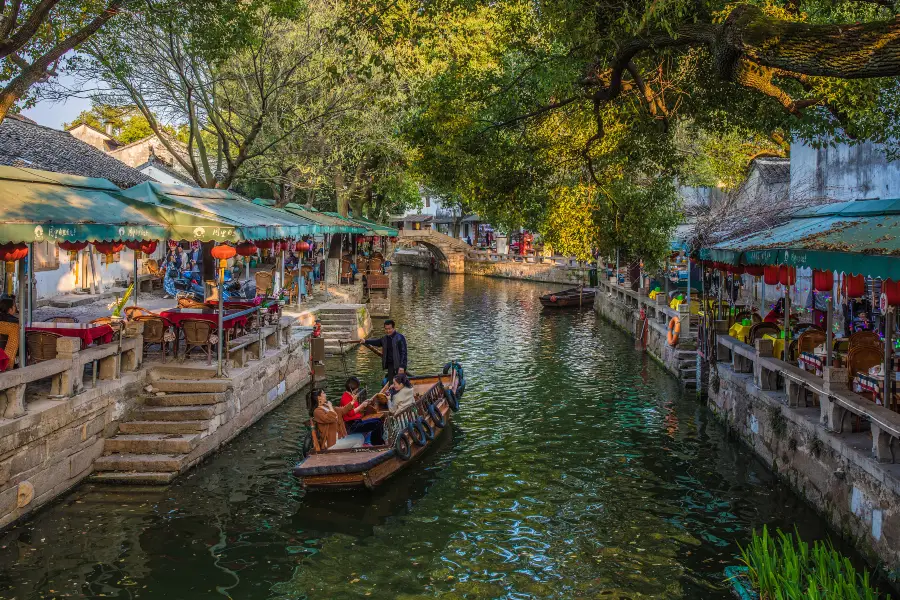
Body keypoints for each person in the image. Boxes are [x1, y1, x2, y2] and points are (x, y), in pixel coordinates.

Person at [340, 377, 385, 445]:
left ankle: (379, 442)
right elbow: (350, 413)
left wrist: (364, 403)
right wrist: (362, 406)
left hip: (357, 421)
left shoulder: (352, 395)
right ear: (353, 388)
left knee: (379, 420)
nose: (357, 389)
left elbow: (356, 408)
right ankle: (377, 444)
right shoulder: (345, 398)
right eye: (357, 388)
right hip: (352, 425)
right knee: (377, 424)